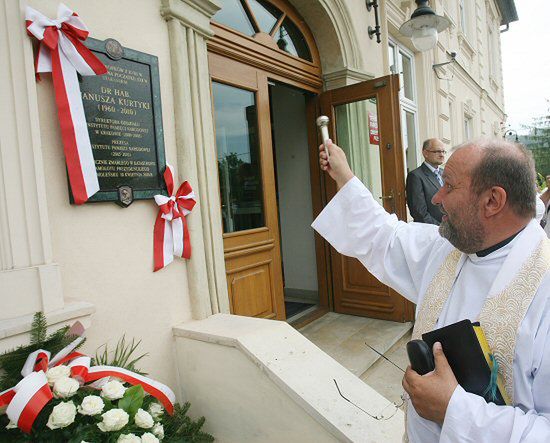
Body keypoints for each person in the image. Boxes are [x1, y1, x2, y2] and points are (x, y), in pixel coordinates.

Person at [312, 138, 550, 442]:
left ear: (493, 201)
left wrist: (453, 408)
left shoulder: (543, 287)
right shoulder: (446, 251)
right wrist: (343, 174)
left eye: (449, 186)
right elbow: (385, 235)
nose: (437, 198)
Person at [405, 139, 446, 225]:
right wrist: (440, 228)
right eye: (437, 151)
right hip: (432, 231)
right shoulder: (415, 176)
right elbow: (419, 213)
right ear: (425, 153)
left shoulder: (445, 173)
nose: (442, 155)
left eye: (443, 151)